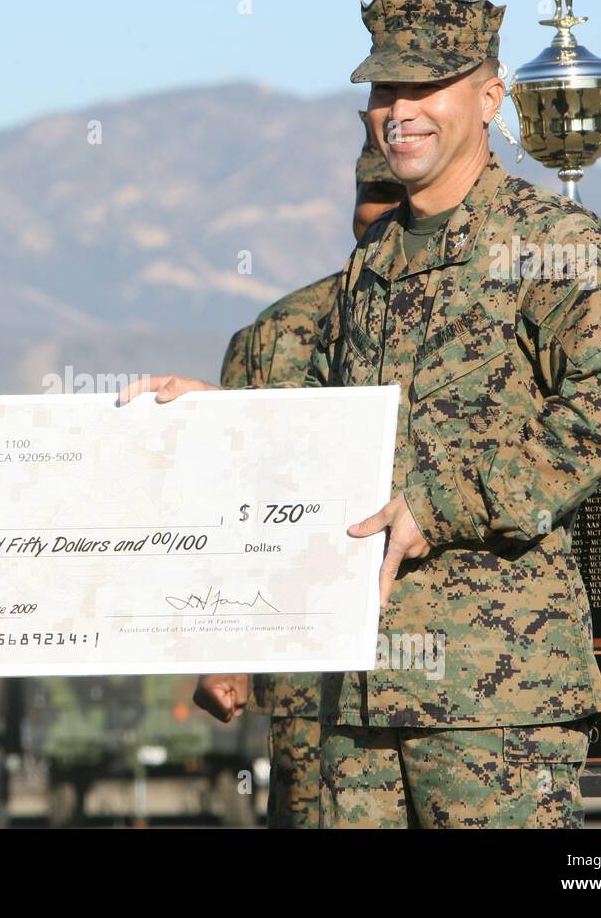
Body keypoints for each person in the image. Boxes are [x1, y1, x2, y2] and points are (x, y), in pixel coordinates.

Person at [124, 0, 601, 828]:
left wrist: (439, 506)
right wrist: (221, 418)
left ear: (489, 99)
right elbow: (331, 434)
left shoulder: (553, 241)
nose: (398, 113)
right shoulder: (370, 263)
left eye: (426, 89)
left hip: (491, 703)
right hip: (350, 698)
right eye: (383, 93)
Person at [199, 112, 404, 829]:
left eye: (396, 192)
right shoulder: (276, 335)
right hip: (310, 673)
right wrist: (221, 650)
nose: (380, 211)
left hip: (459, 655)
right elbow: (232, 503)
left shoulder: (492, 310)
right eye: (370, 193)